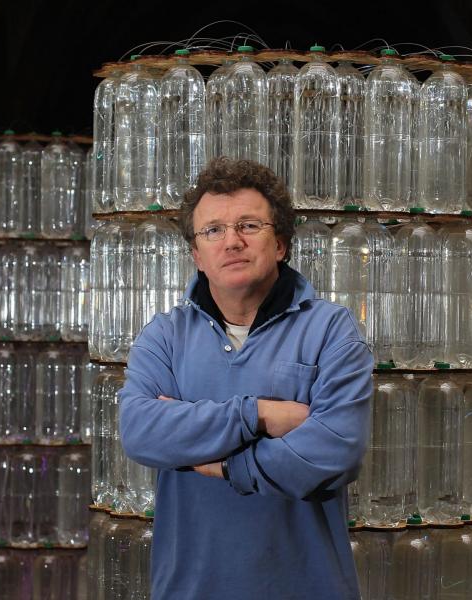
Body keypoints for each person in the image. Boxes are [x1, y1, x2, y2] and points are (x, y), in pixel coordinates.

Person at [119, 157, 374, 599]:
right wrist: (257, 415)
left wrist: (219, 464)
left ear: (280, 244)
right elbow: (140, 431)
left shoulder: (332, 329)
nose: (231, 241)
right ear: (197, 255)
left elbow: (336, 451)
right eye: (213, 230)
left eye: (249, 226)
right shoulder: (165, 334)